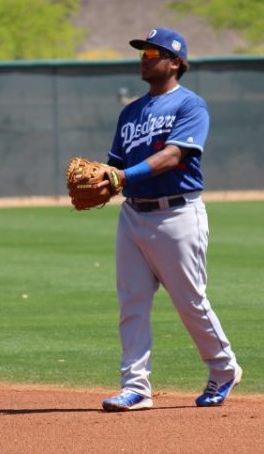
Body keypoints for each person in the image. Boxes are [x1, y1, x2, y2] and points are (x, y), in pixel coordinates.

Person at [101, 27, 242, 412]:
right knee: (131, 301)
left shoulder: (190, 105)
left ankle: (224, 368)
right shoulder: (130, 112)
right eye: (142, 54)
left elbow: (174, 155)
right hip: (133, 215)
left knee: (189, 301)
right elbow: (115, 165)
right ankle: (135, 387)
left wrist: (122, 176)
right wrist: (101, 181)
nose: (144, 60)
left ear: (176, 62)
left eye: (152, 54)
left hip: (177, 213)